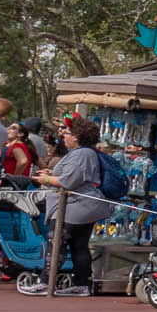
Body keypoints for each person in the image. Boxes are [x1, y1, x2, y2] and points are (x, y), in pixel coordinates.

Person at [36, 118, 115, 296]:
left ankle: (46, 283)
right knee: (79, 245)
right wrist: (52, 173)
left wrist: (45, 179)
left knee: (56, 243)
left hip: (74, 206)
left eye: (67, 132)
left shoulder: (81, 154)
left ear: (77, 136)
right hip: (83, 206)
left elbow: (68, 182)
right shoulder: (86, 153)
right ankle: (81, 284)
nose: (63, 135)